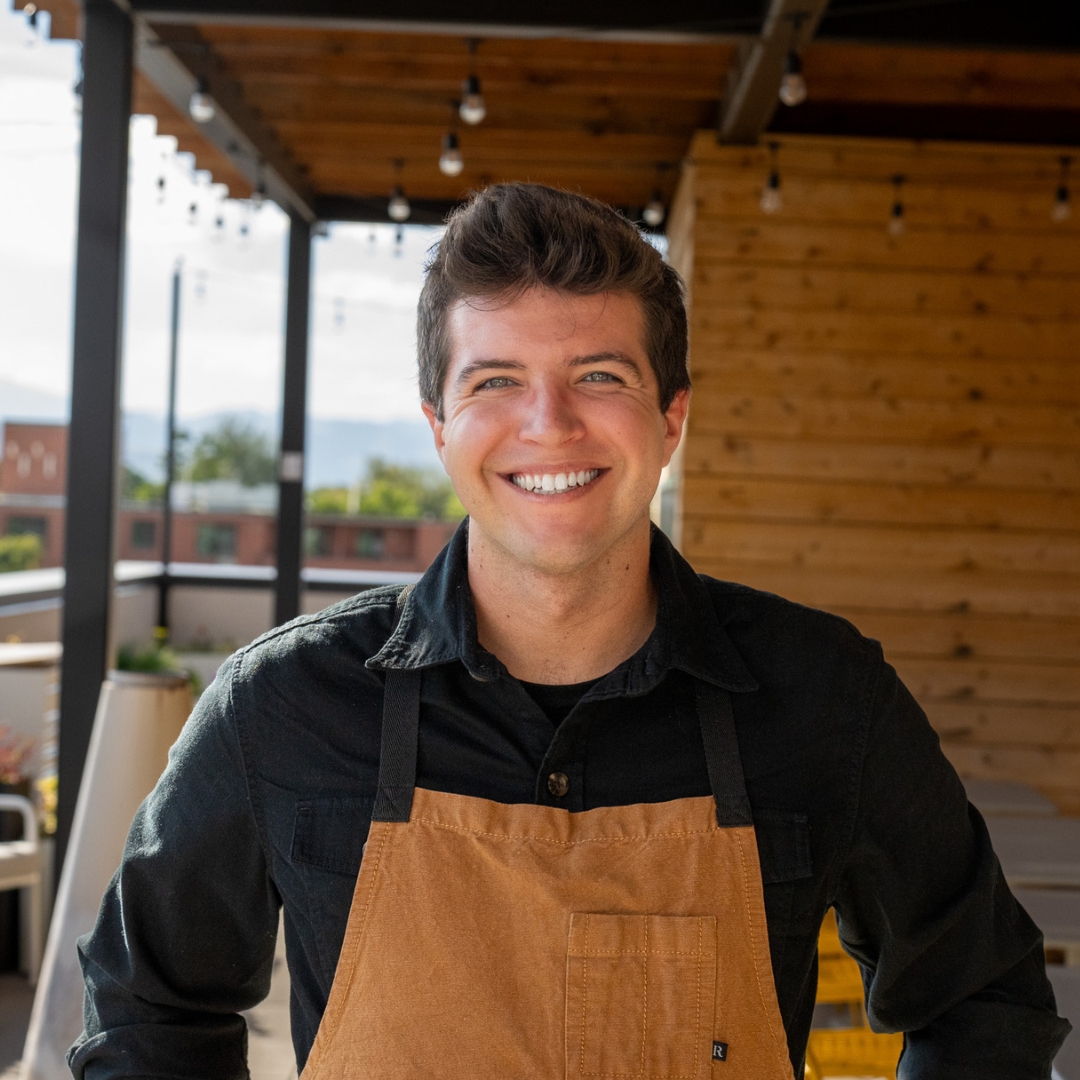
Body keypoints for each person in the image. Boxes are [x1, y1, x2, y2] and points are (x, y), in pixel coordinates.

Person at [71, 183, 1069, 1079]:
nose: (548, 424)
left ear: (671, 419)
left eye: (599, 376)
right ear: (439, 427)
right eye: (495, 381)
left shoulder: (825, 698)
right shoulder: (283, 705)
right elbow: (146, 1012)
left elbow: (984, 1001)